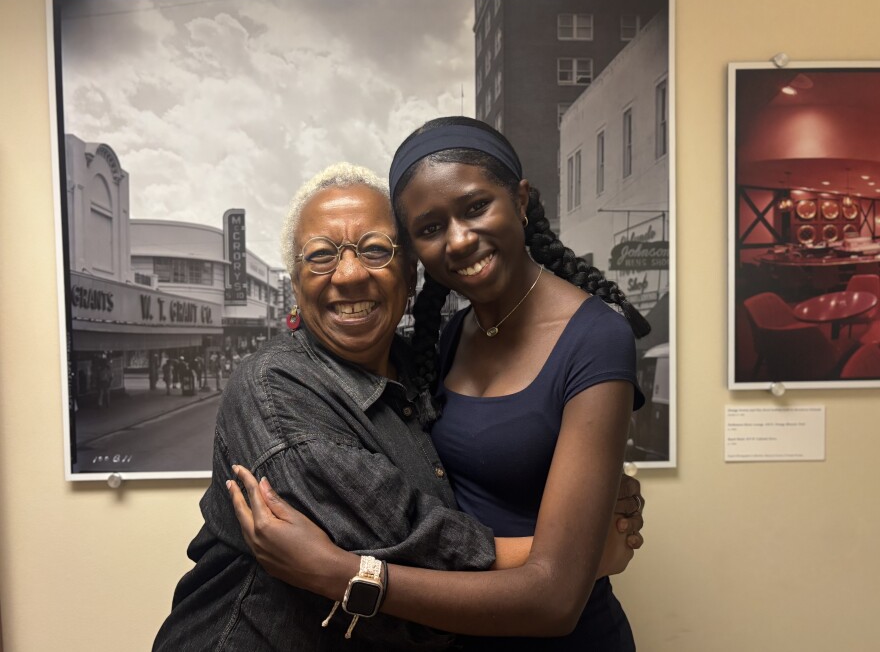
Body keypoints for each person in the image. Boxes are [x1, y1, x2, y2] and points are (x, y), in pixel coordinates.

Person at [154, 162, 644, 651]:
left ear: (410, 273)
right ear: (295, 284)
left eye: (375, 250)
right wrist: (576, 559)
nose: (348, 275)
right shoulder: (273, 388)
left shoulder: (424, 365)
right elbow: (410, 549)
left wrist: (589, 508)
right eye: (321, 256)